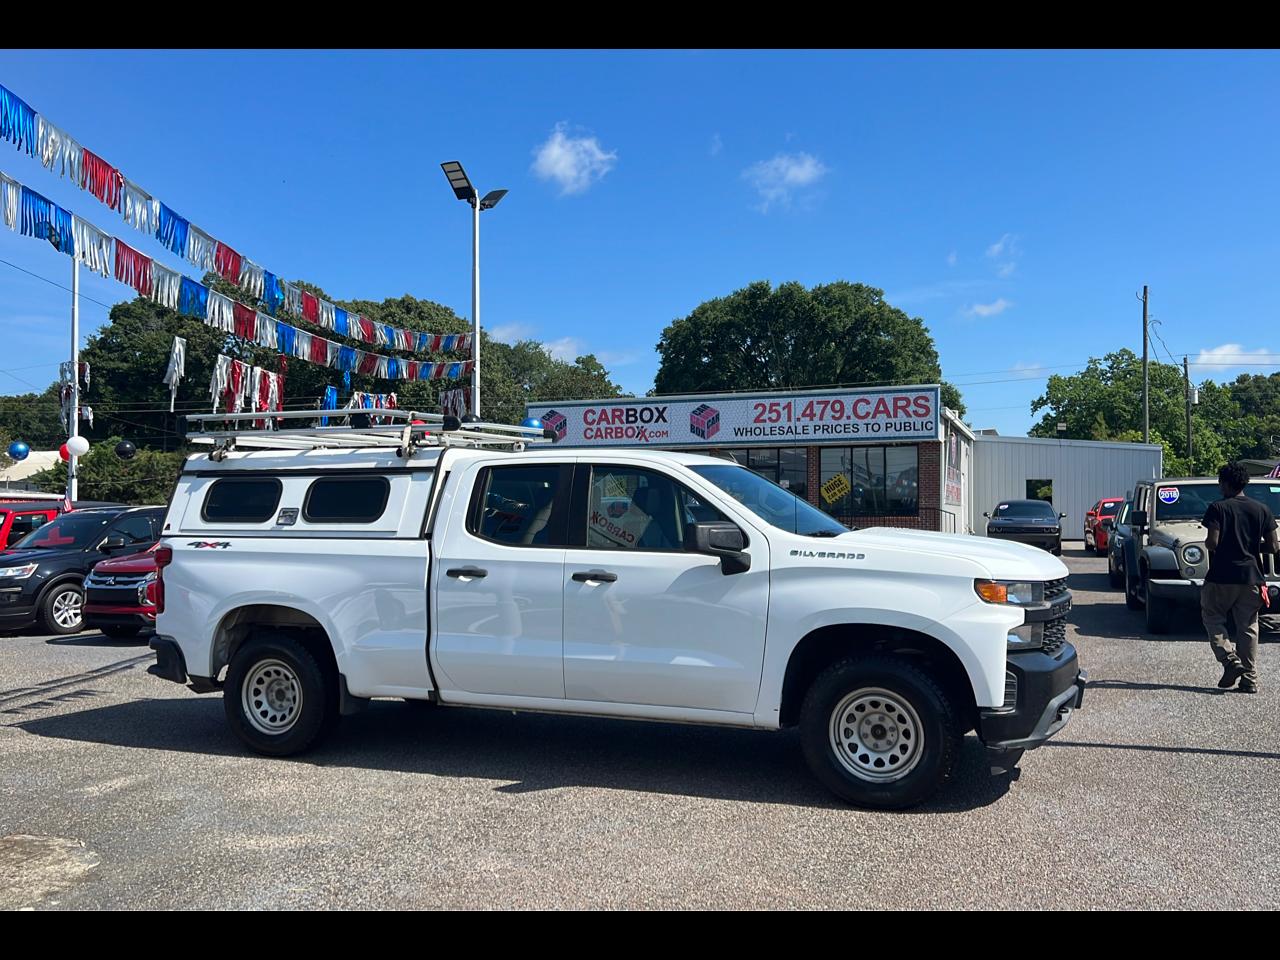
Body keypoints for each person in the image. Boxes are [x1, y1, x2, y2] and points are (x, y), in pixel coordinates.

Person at [1202, 462, 1280, 693]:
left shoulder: (1218, 508)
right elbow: (1274, 546)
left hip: (1221, 576)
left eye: (1220, 482)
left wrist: (1217, 544)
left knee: (1213, 617)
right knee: (1248, 626)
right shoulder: (1262, 509)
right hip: (1252, 577)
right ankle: (1250, 680)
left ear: (1225, 483)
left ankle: (1229, 660)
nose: (1219, 487)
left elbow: (1212, 543)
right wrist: (1250, 547)